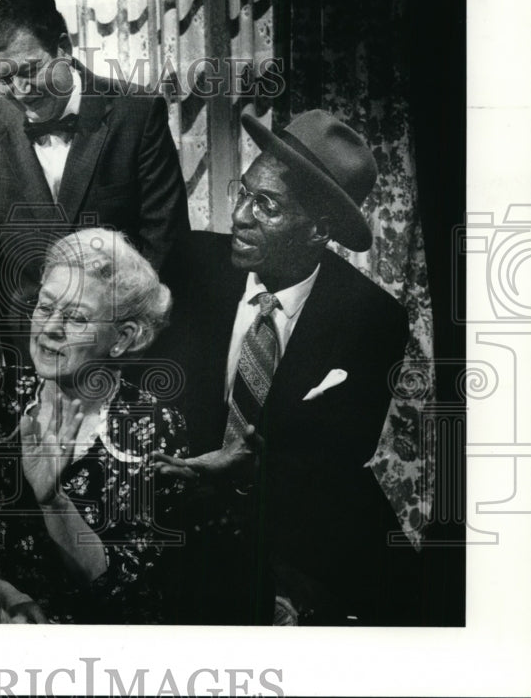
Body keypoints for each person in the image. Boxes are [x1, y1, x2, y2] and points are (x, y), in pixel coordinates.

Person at [153, 109, 411, 625]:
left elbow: (339, 461)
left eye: (265, 204)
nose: (240, 216)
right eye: (242, 192)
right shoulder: (189, 265)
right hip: (173, 522)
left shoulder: (371, 316)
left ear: (320, 229)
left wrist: (255, 473)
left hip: (292, 530)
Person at [0, 228, 211, 624]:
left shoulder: (153, 426)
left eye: (76, 317)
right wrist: (3, 592)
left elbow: (124, 589)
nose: (50, 328)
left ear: (123, 338)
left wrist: (54, 501)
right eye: (45, 307)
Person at [0, 0, 190, 364]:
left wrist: (122, 334)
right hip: (22, 349)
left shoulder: (137, 114)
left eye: (30, 70)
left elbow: (164, 238)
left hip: (118, 345)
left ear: (63, 47)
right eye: (4, 77)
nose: (21, 91)